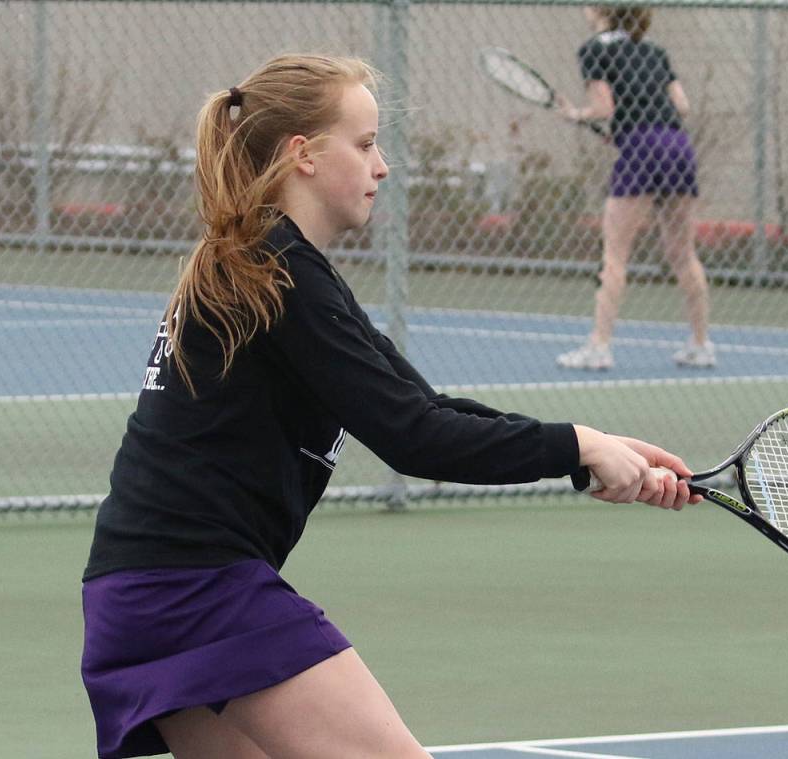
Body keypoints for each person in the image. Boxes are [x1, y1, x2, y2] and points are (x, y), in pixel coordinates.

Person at [80, 54, 700, 759]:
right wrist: (576, 445)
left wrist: (587, 447)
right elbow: (416, 437)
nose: (383, 167)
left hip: (142, 588)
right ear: (302, 155)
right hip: (195, 588)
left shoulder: (273, 263)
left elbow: (421, 407)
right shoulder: (278, 273)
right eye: (367, 144)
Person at [555, 5, 715, 370]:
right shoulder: (654, 50)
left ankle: (599, 347)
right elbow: (682, 105)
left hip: (641, 148)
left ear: (599, 10)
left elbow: (602, 107)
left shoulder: (594, 49)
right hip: (677, 145)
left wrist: (575, 115)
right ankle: (701, 344)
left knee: (615, 256)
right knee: (683, 253)